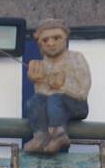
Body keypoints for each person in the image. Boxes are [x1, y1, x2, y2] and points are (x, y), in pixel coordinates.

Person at [24, 19, 92, 156]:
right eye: (45, 40)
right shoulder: (42, 64)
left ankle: (59, 135)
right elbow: (42, 95)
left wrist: (62, 85)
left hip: (76, 105)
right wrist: (39, 80)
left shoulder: (76, 58)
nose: (51, 43)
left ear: (65, 39)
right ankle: (40, 136)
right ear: (40, 44)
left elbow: (82, 91)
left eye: (56, 38)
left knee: (55, 99)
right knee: (35, 101)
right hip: (53, 107)